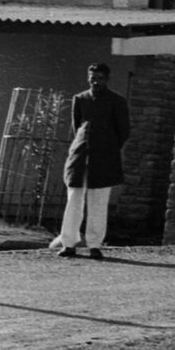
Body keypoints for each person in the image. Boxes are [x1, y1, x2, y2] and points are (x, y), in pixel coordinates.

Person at [48, 63, 130, 260]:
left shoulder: (116, 101)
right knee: (74, 200)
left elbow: (124, 131)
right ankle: (69, 244)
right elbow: (78, 127)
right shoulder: (81, 99)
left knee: (98, 203)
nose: (96, 81)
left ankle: (94, 245)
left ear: (106, 79)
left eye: (100, 78)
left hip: (104, 159)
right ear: (88, 77)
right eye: (93, 77)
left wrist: (107, 148)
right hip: (79, 157)